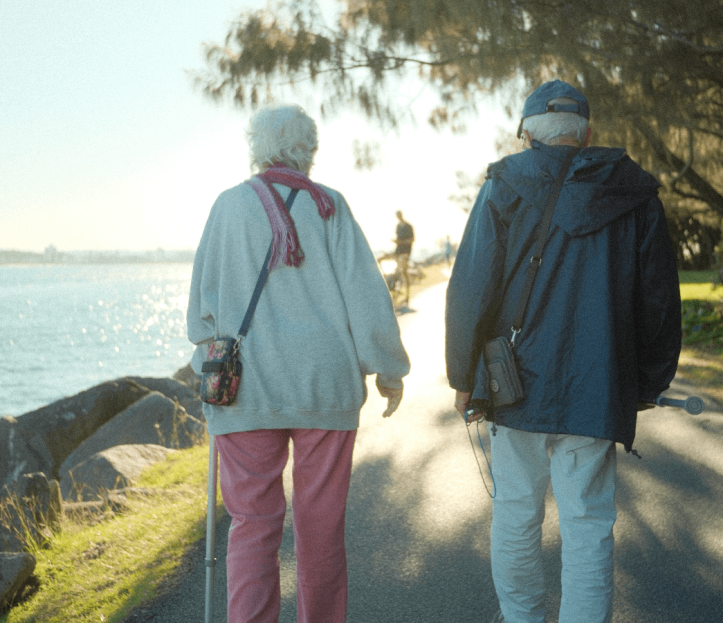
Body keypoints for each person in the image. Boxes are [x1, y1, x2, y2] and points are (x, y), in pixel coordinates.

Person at [445, 80, 681, 623]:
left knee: (516, 515)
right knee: (589, 524)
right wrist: (647, 382)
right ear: (588, 135)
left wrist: (463, 376)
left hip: (514, 384)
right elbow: (660, 300)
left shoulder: (503, 185)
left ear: (526, 133)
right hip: (596, 385)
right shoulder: (635, 193)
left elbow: (470, 289)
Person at [187, 104, 410, 623]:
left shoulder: (227, 206)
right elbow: (367, 297)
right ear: (308, 150)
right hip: (324, 387)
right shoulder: (329, 206)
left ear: (256, 149)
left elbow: (202, 303)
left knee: (252, 525)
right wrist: (389, 368)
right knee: (321, 530)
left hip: (246, 391)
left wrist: (207, 352)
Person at [393, 210, 415, 305]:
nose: (398, 217)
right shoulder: (398, 226)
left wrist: (401, 242)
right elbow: (398, 238)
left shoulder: (408, 226)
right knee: (399, 273)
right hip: (398, 251)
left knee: (403, 272)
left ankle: (406, 296)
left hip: (405, 252)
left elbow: (412, 239)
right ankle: (397, 296)